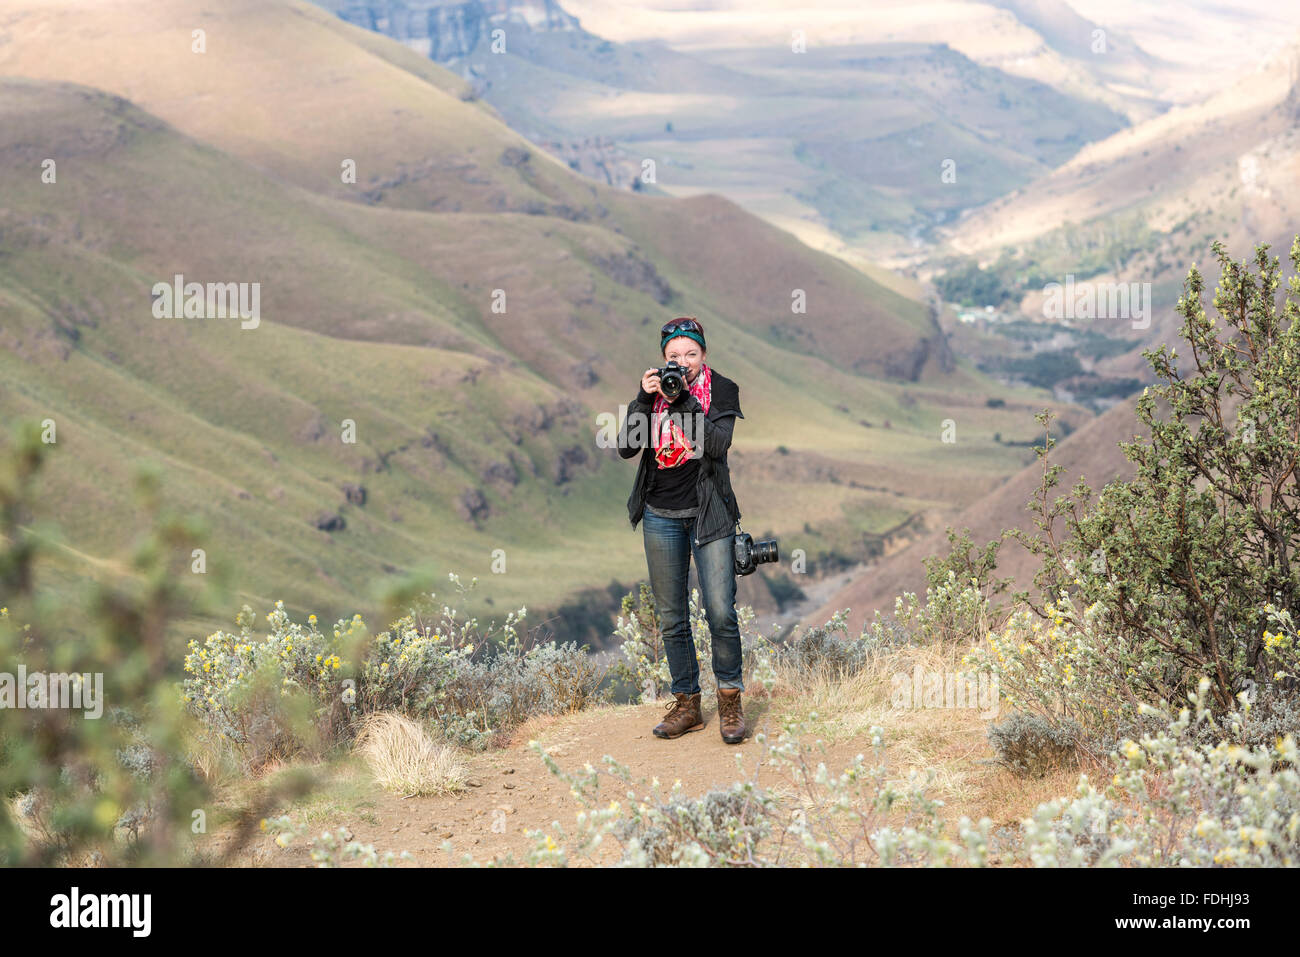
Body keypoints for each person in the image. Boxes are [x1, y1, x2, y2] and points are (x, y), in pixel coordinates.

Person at [617, 316, 747, 744]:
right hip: (660, 514)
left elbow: (715, 444)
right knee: (672, 618)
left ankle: (729, 700)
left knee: (722, 614)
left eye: (691, 354)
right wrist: (643, 396)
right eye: (674, 356)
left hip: (710, 515)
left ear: (704, 354)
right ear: (662, 359)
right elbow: (625, 447)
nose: (682, 363)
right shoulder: (651, 394)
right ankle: (688, 703)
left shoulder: (722, 390)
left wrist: (684, 400)